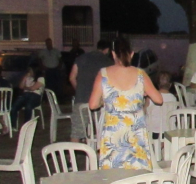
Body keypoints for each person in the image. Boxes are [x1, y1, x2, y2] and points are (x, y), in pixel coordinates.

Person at [88, 37, 163, 170]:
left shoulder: (103, 74)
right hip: (135, 131)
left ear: (113, 54)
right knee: (138, 173)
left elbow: (93, 105)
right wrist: (142, 92)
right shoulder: (141, 74)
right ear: (132, 54)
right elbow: (158, 99)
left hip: (113, 132)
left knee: (113, 175)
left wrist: (105, 100)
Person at [69, 40, 114, 143]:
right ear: (107, 50)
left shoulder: (81, 58)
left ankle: (72, 158)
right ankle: (100, 156)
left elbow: (72, 77)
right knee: (102, 131)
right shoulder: (108, 62)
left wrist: (79, 89)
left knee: (76, 132)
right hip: (99, 102)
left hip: (81, 100)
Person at [146, 71, 178, 140]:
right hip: (169, 132)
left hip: (153, 132)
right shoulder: (173, 98)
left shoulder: (151, 98)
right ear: (170, 85)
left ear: (157, 84)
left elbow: (144, 112)